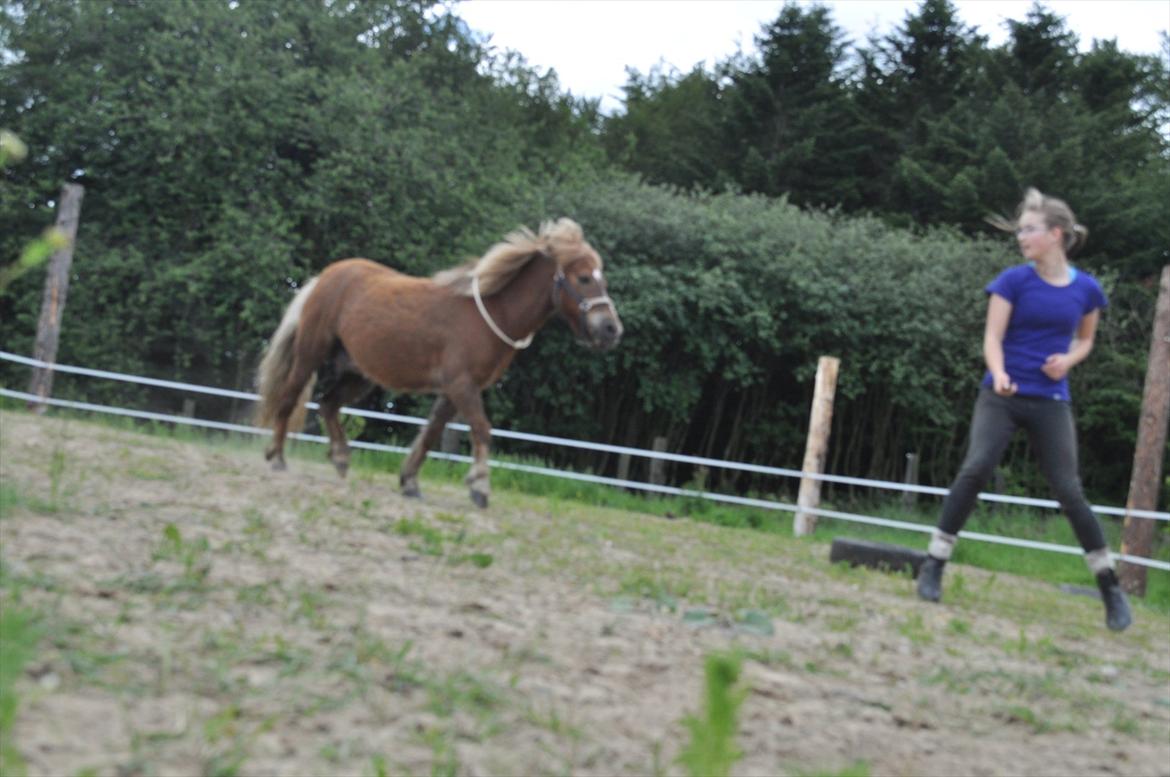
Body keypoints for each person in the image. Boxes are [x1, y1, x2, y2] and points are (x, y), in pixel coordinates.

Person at [915, 187, 1131, 632]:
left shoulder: (1086, 289)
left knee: (1070, 492)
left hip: (1051, 399)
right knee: (976, 468)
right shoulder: (1013, 281)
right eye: (1020, 230)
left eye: (1029, 230)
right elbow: (992, 337)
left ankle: (1110, 587)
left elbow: (1085, 339)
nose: (1021, 237)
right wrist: (999, 373)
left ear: (1055, 234)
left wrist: (1067, 361)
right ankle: (934, 563)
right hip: (1003, 394)